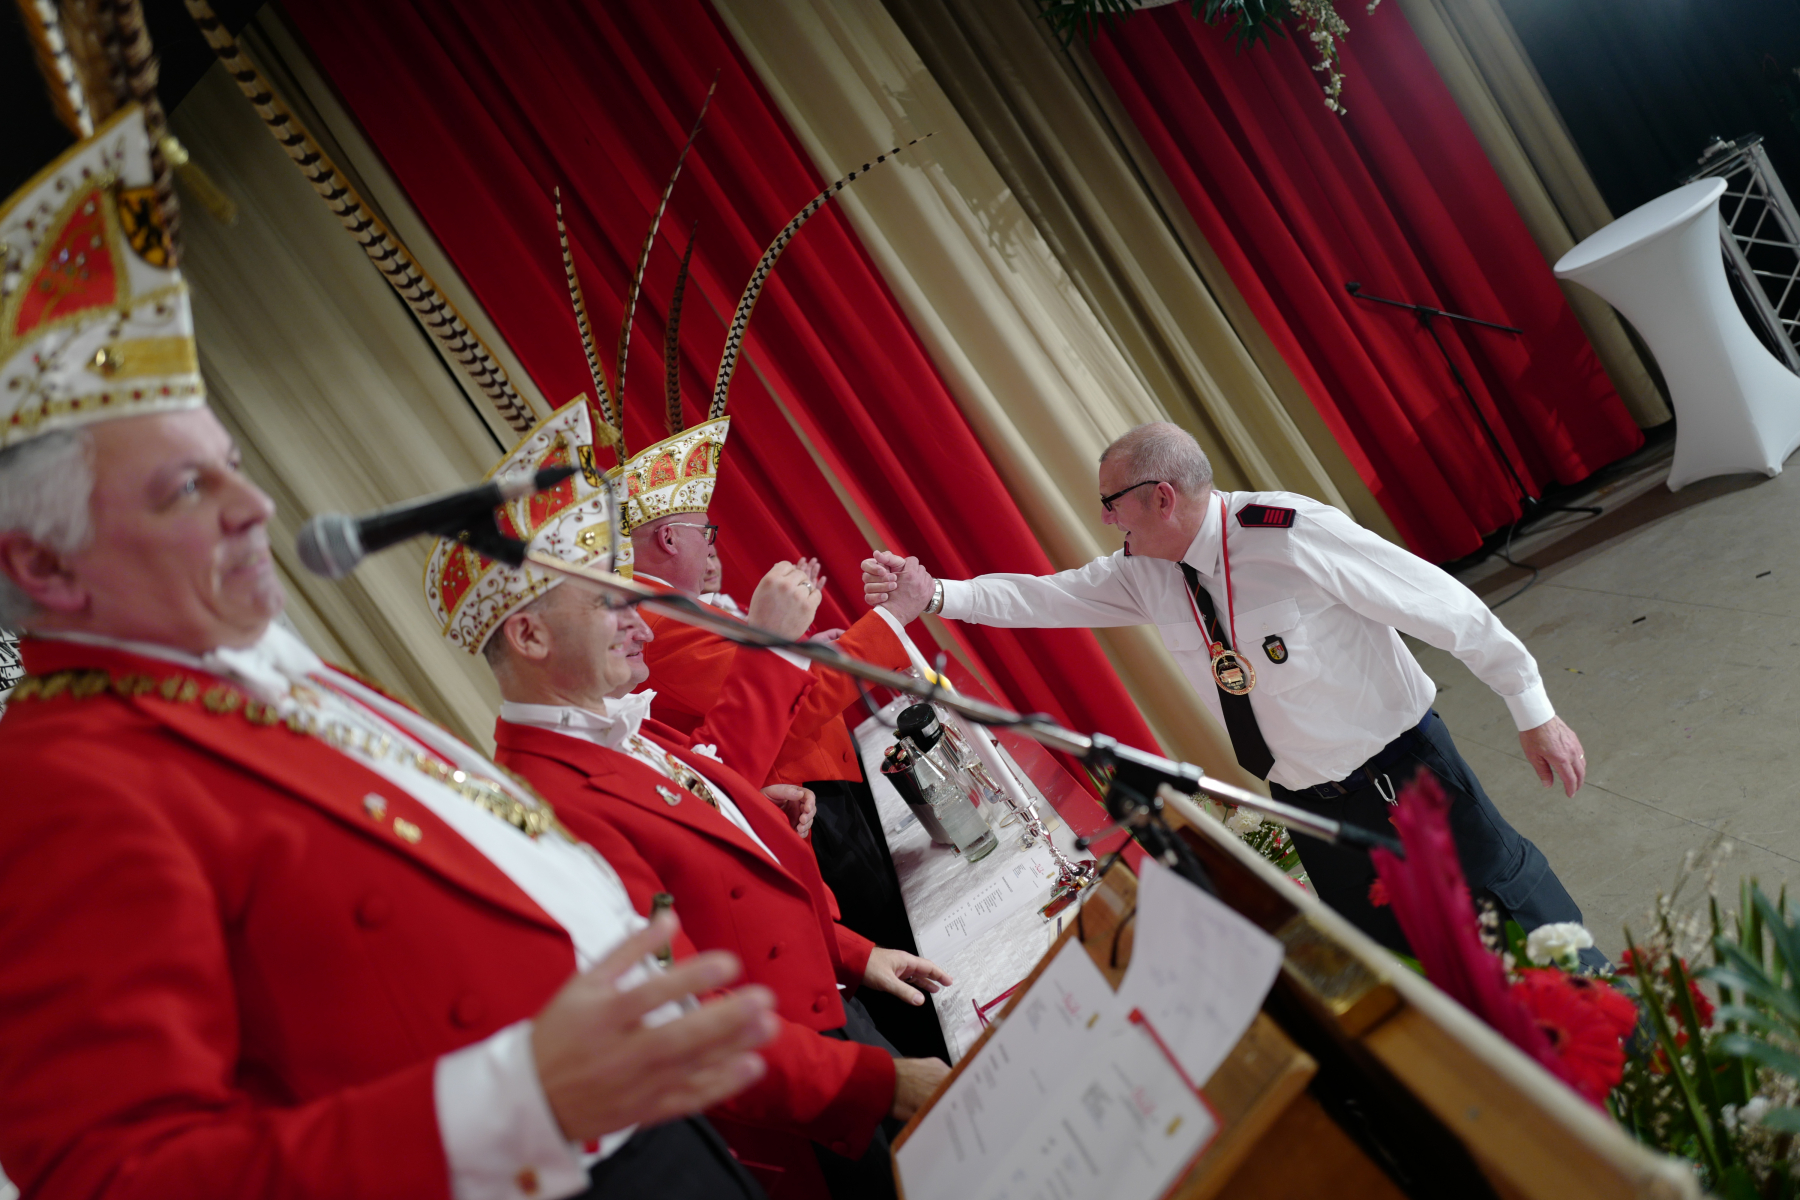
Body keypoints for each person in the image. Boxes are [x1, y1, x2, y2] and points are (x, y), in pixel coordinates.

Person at [0, 108, 778, 1200]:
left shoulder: (259, 668)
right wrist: (518, 1102)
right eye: (185, 489)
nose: (253, 507)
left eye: (232, 465)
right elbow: (114, 1176)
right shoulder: (55, 777)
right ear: (43, 566)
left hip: (652, 1131)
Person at [864, 422, 1598, 964]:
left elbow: (1442, 605)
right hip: (1308, 808)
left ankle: (1630, 1045)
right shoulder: (1147, 572)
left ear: (1161, 497)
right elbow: (1044, 597)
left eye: (1111, 503)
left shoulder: (1288, 534)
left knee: (1516, 919)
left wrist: (1533, 710)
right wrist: (937, 595)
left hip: (1402, 776)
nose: (1105, 519)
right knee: (1399, 963)